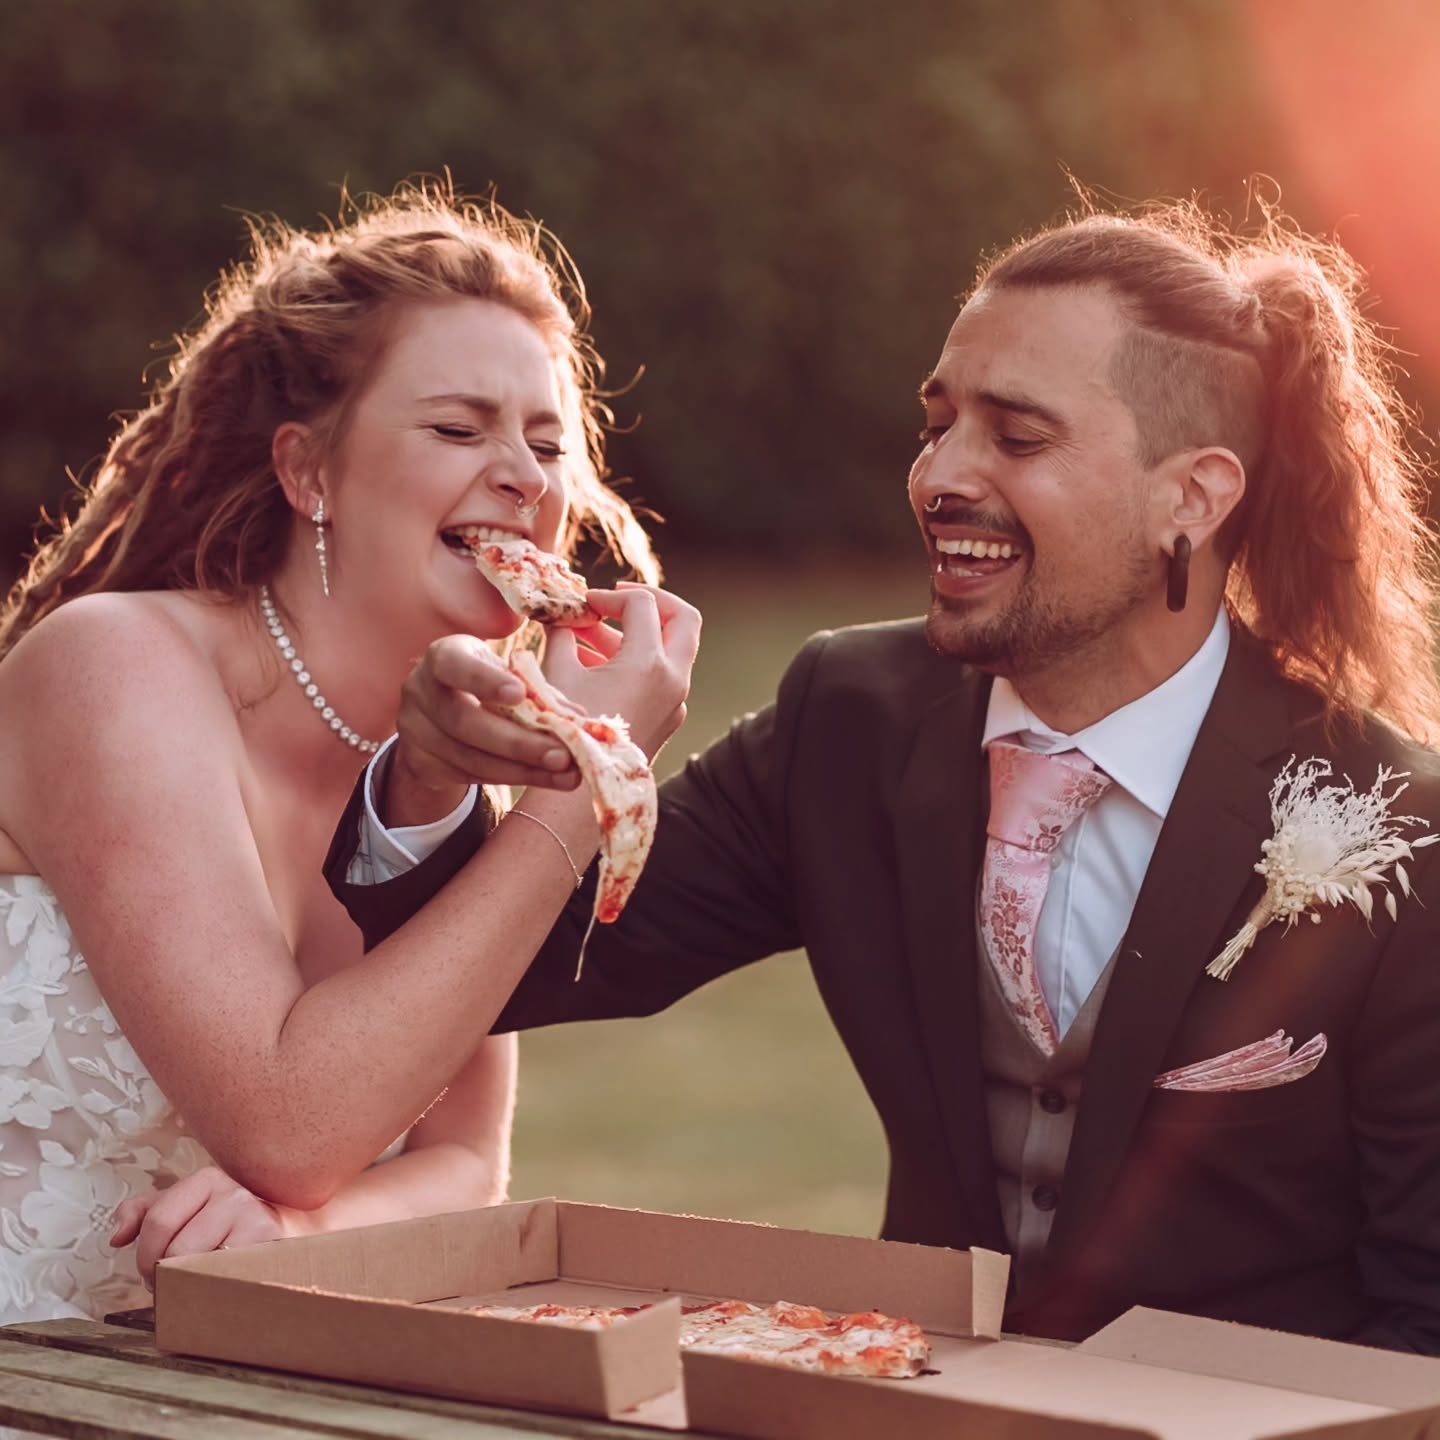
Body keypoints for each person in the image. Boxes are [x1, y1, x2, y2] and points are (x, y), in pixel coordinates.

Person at [328, 196, 1440, 1354]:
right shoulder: (847, 724)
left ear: (1193, 498)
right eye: (940, 421)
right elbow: (519, 971)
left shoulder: (1400, 834)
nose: (939, 476)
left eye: (1017, 437)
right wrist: (436, 780)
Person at [0, 183, 698, 1323]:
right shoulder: (111, 668)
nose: (525, 476)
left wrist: (298, 1233)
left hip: (209, 1385)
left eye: (546, 442)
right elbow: (288, 1122)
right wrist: (590, 778)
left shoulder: (451, 772)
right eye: (459, 429)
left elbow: (468, 1165)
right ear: (308, 473)